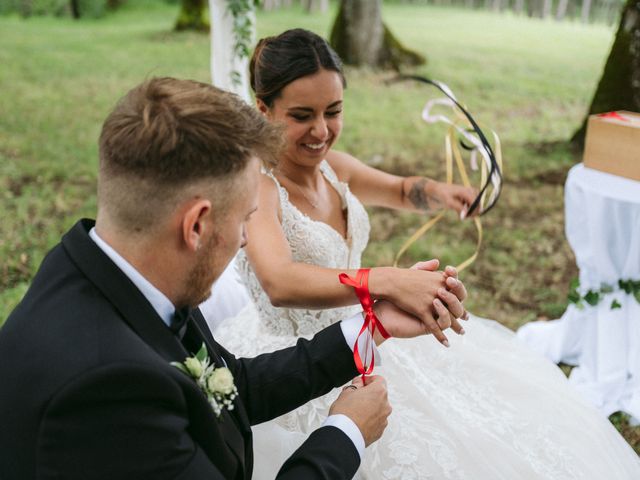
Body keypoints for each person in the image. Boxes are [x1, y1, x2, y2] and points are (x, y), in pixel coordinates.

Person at [210, 29, 640, 479]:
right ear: (264, 110)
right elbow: (280, 281)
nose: (322, 131)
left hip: (365, 332)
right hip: (295, 355)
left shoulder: (331, 166)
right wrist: (389, 281)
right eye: (302, 116)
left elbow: (398, 189)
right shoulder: (259, 185)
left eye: (333, 112)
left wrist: (439, 192)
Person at [0, 77, 468, 480]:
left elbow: (231, 383)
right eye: (244, 220)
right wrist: (345, 432)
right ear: (197, 225)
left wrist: (373, 326)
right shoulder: (106, 391)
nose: (247, 240)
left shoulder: (110, 272)